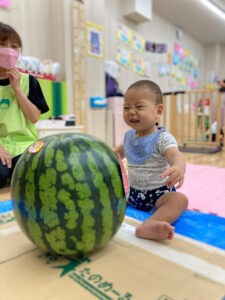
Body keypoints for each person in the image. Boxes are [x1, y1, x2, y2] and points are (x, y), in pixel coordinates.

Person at [116, 80, 188, 241]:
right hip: (132, 194)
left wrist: (178, 167)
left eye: (139, 107)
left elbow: (175, 155)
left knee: (180, 200)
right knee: (111, 190)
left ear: (158, 111)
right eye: (126, 108)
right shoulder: (128, 136)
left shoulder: (162, 138)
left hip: (160, 194)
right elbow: (116, 155)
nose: (131, 112)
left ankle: (152, 223)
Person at [0, 22, 49, 188]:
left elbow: (34, 118)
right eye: (2, 44)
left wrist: (17, 89)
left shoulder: (29, 81)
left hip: (24, 143)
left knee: (33, 175)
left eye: (14, 46)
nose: (8, 50)